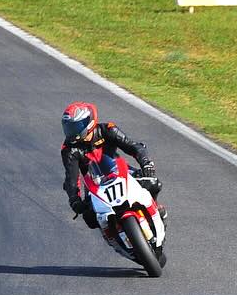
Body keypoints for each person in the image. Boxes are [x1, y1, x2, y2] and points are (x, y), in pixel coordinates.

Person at [61, 101, 166, 236]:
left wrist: (147, 164)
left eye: (75, 126)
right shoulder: (69, 150)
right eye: (68, 128)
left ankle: (155, 208)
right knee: (89, 218)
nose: (71, 132)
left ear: (89, 122)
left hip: (120, 170)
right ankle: (112, 234)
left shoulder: (107, 130)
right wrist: (74, 199)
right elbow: (71, 177)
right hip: (94, 183)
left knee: (153, 183)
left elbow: (134, 147)